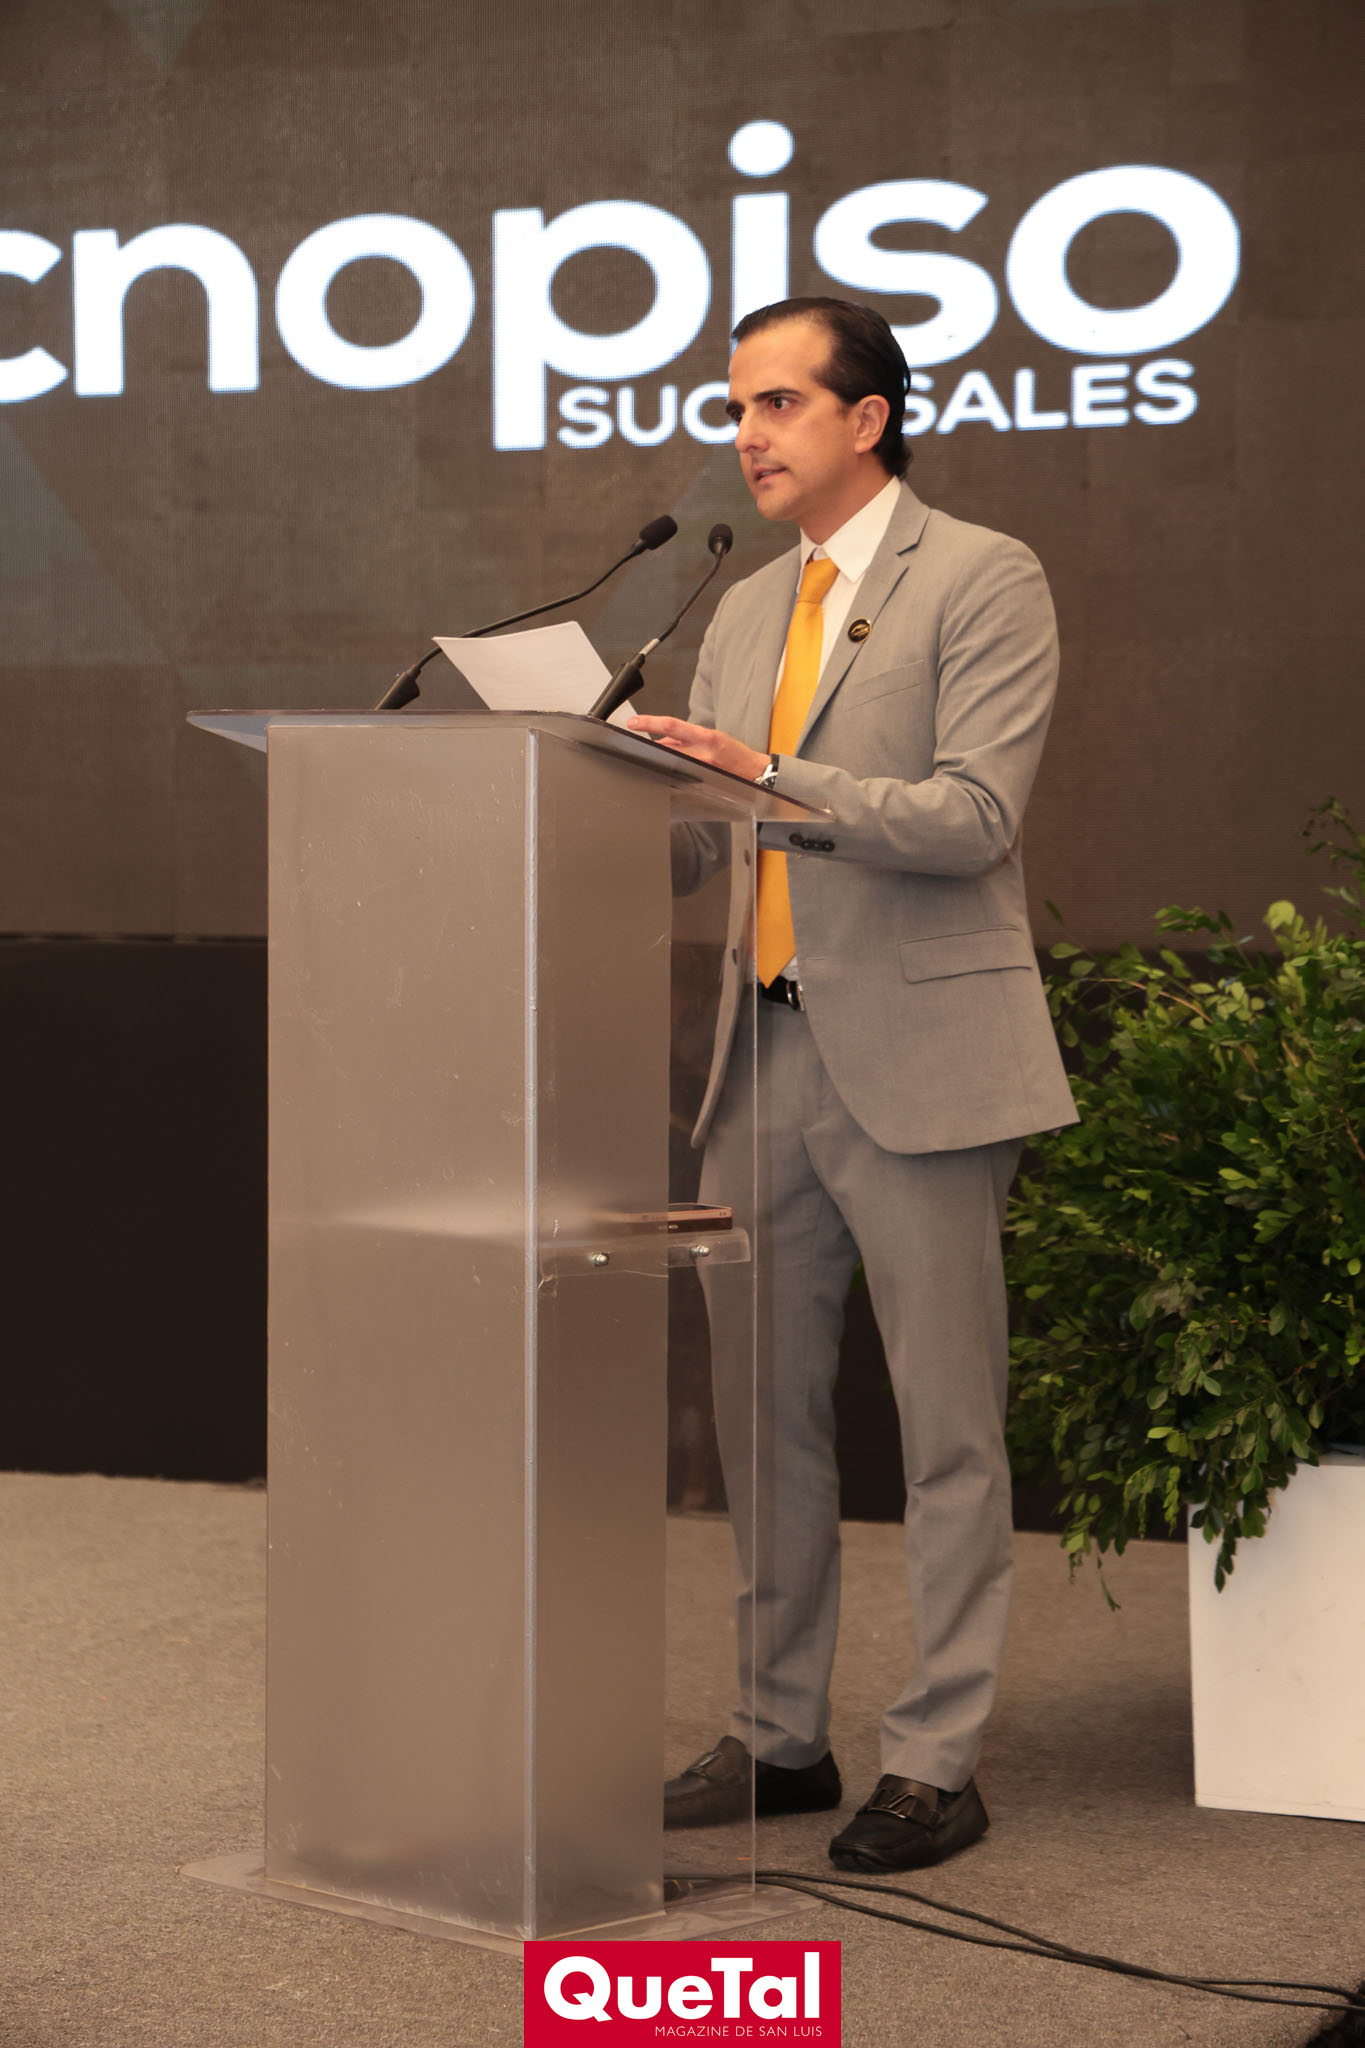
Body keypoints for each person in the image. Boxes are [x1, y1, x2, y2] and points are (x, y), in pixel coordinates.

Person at [628, 296, 1078, 1873]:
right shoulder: (745, 607)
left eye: (776, 403)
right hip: (758, 1056)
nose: (744, 434)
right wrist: (606, 789)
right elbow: (712, 840)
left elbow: (970, 818)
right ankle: (777, 1738)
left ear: (866, 417)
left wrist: (762, 775)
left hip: (920, 1058)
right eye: (735, 407)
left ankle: (936, 1759)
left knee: (947, 1427)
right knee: (763, 1428)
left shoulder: (981, 575)